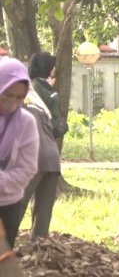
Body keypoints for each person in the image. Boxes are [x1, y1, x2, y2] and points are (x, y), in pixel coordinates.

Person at [0, 58, 39, 248]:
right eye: (8, 94)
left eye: (19, 97)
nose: (13, 103)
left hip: (7, 206)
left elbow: (27, 169)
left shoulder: (26, 123)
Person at [17, 88, 61, 241]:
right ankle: (39, 249)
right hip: (53, 160)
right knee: (43, 210)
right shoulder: (37, 104)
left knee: (16, 205)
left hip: (33, 160)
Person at [29, 51, 68, 139]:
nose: (54, 68)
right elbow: (39, 108)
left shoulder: (45, 83)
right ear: (45, 67)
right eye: (52, 66)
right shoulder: (36, 85)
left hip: (52, 132)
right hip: (44, 132)